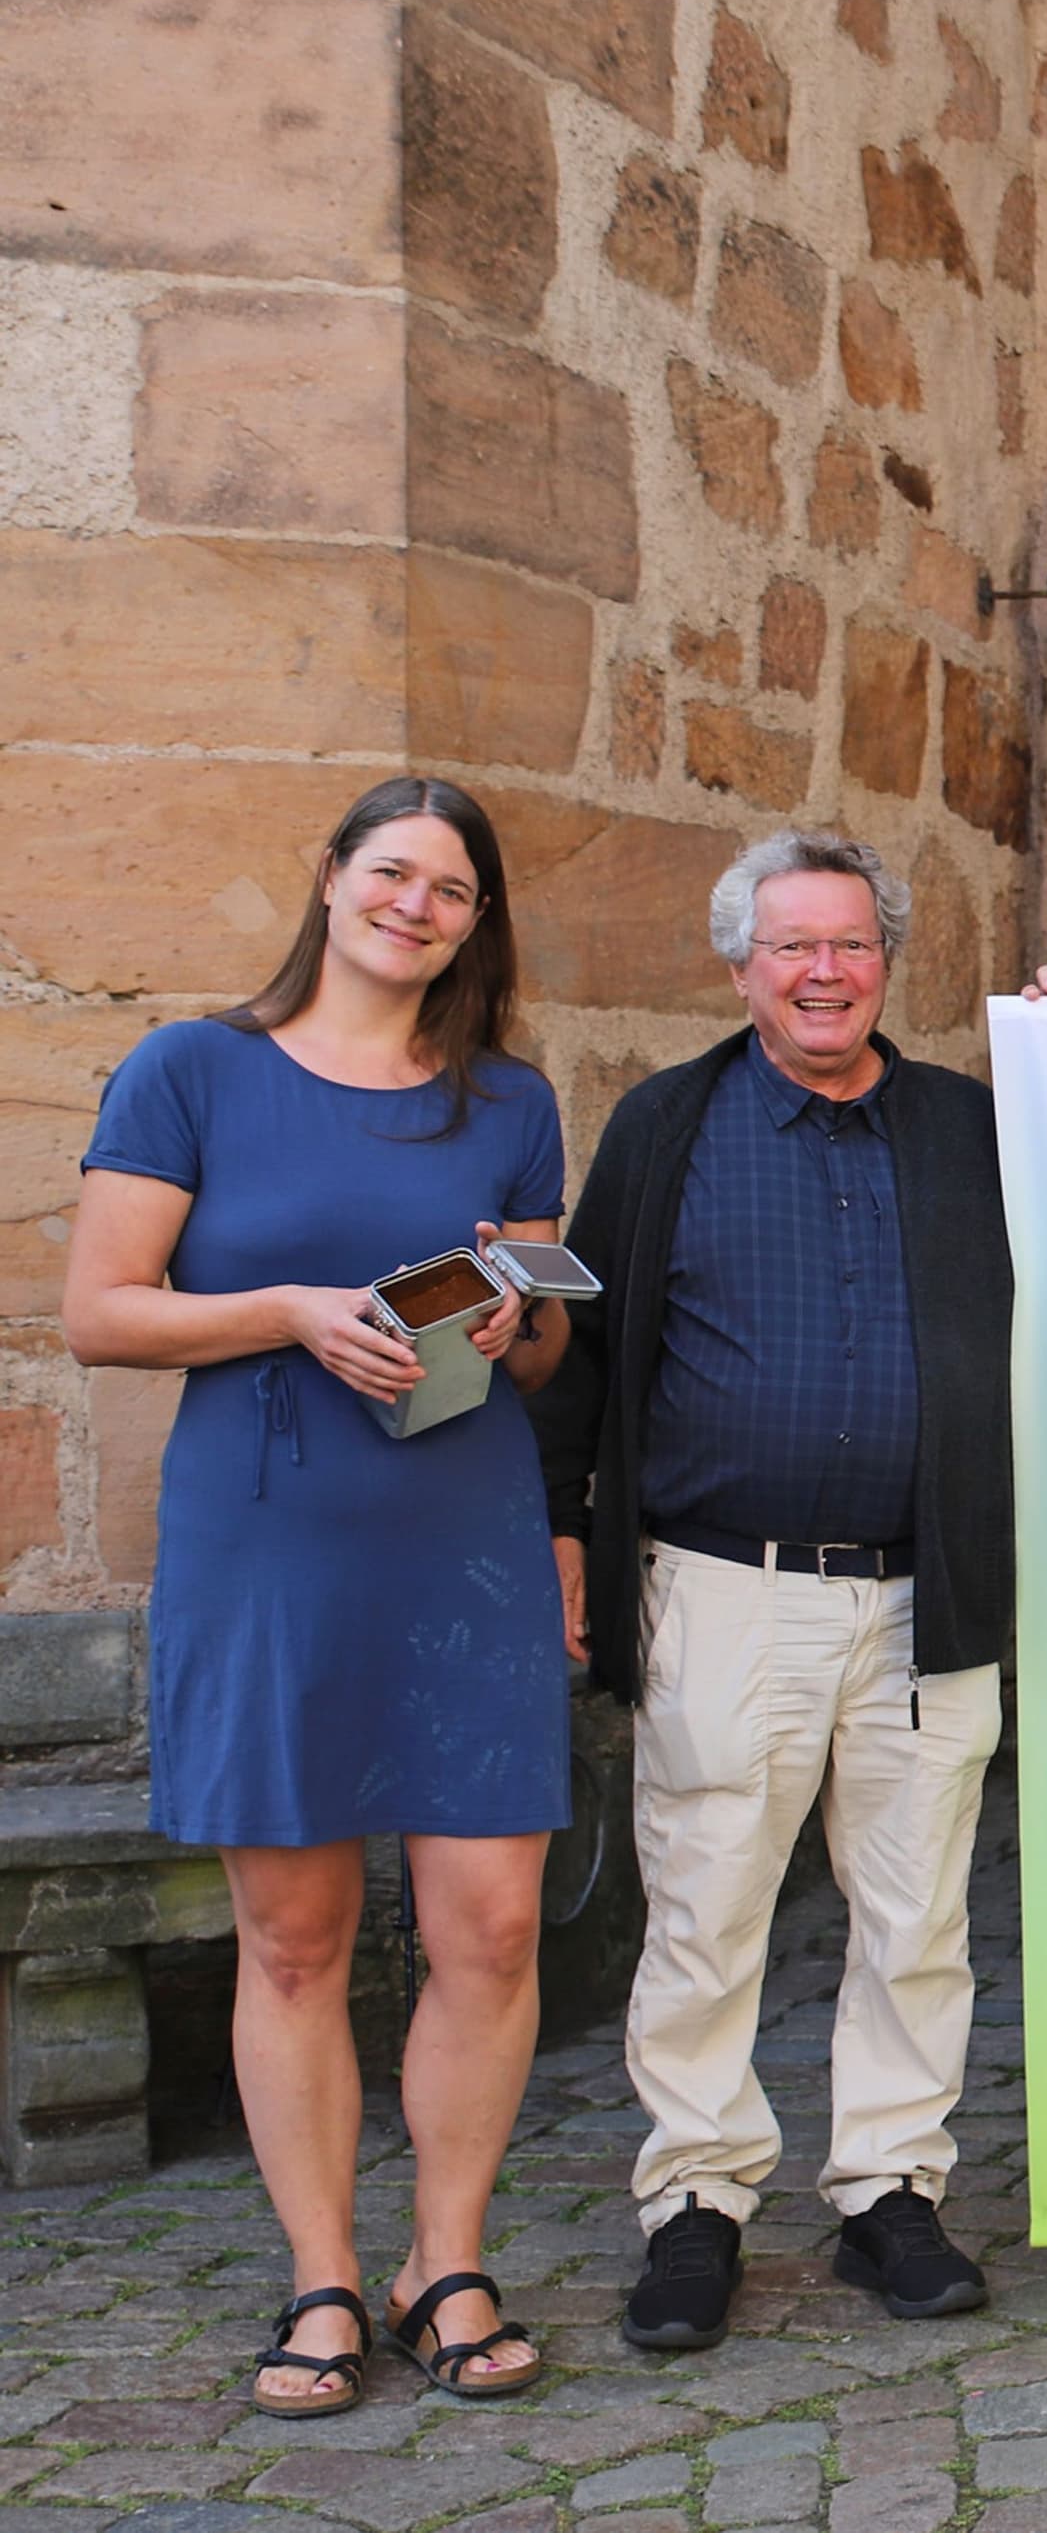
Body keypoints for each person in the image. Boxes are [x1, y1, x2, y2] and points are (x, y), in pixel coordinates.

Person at [64, 777, 572, 2415]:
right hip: (270, 1539)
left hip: (463, 1534)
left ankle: (451, 2251)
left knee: (490, 1923)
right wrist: (284, 1305)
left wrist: (511, 1323)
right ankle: (324, 2277)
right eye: (393, 873)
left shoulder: (507, 1100)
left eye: (451, 890)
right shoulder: (190, 1069)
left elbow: (551, 1330)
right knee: (295, 1935)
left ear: (475, 924)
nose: (416, 906)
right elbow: (101, 1313)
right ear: (335, 881)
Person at [535, 831, 1015, 2350]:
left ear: (890, 961)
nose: (826, 971)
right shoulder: (666, 1126)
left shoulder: (969, 1129)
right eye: (794, 946)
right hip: (724, 1589)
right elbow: (591, 1354)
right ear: (739, 964)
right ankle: (697, 2199)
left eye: (854, 944)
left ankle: (889, 2186)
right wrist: (564, 1532)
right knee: (707, 1903)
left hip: (924, 1592)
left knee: (916, 1912)